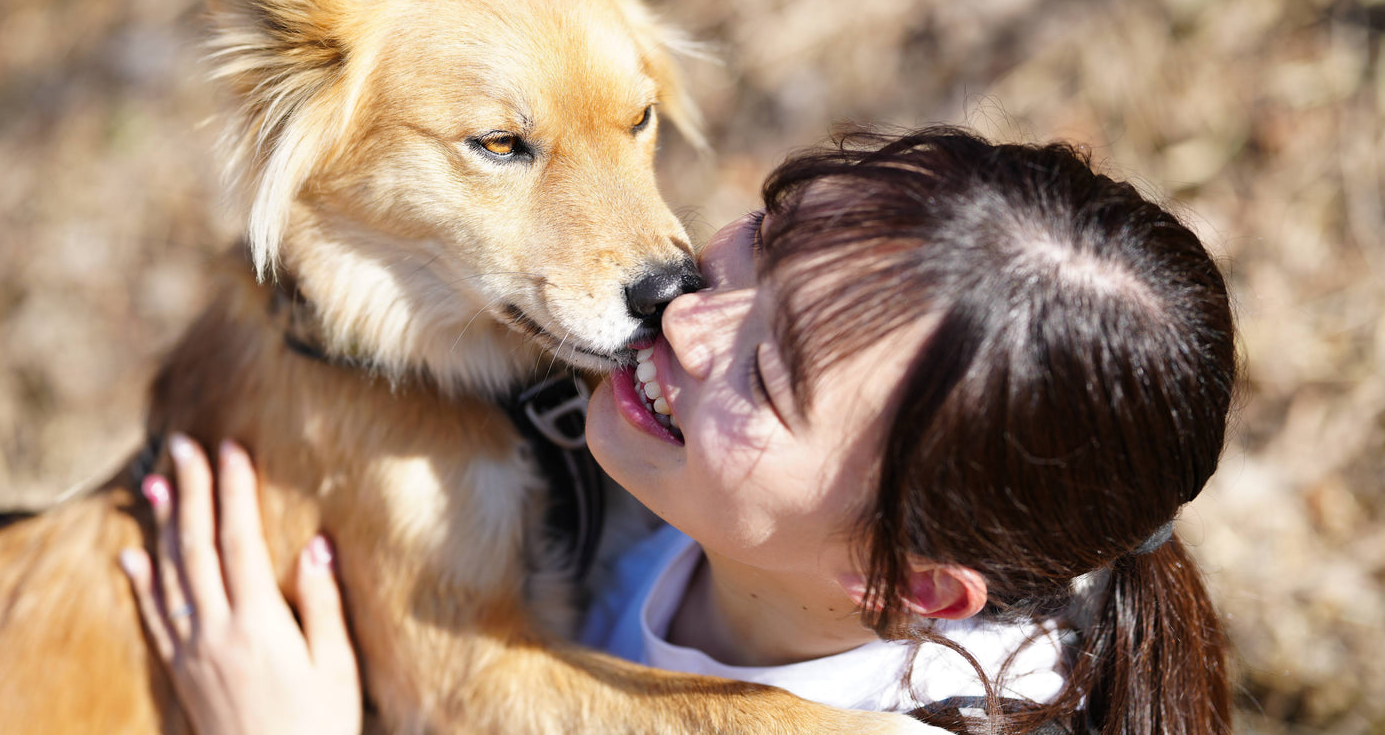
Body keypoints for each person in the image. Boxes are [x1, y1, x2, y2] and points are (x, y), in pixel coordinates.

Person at [120, 126, 1237, 735]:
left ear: (910, 591)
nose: (685, 316)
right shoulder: (684, 521)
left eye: (770, 373)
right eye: (768, 237)